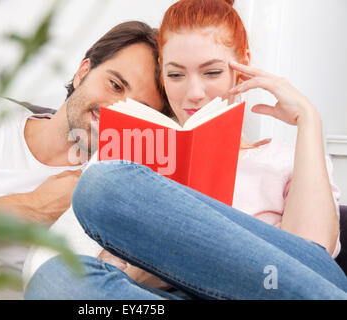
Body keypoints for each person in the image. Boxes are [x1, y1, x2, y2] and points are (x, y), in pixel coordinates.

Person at [24, 0, 347, 299]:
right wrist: (149, 259)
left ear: (243, 65)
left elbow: (311, 267)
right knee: (54, 277)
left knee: (102, 184)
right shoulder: (139, 164)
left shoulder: (286, 160)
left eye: (212, 72)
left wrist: (308, 119)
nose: (194, 93)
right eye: (176, 74)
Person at [0, 21, 167, 299]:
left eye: (137, 112)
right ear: (83, 72)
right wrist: (32, 208)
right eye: (115, 85)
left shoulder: (112, 195)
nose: (115, 113)